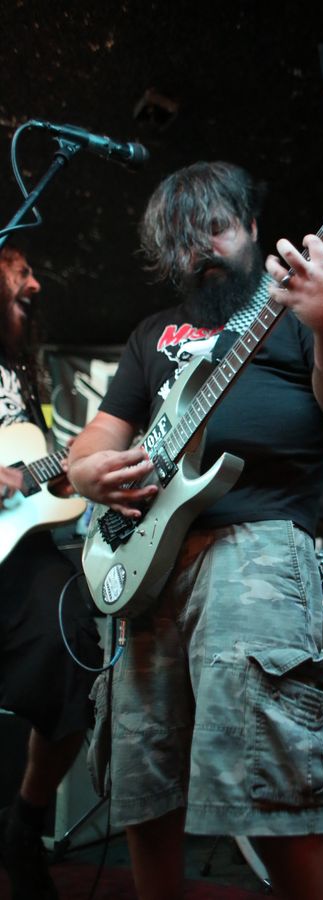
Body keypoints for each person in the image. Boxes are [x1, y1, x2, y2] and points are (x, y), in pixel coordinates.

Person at [67, 160, 323, 900]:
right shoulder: (152, 335)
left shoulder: (296, 306)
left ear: (252, 228)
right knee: (143, 773)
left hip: (256, 544)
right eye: (182, 239)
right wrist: (84, 471)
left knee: (272, 768)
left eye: (216, 227)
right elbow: (99, 435)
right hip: (149, 564)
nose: (202, 247)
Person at [0, 242, 102, 900]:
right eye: (21, 271)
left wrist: (63, 475)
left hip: (20, 556)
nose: (36, 283)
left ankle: (25, 822)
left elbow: (30, 469)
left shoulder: (18, 368)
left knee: (79, 659)